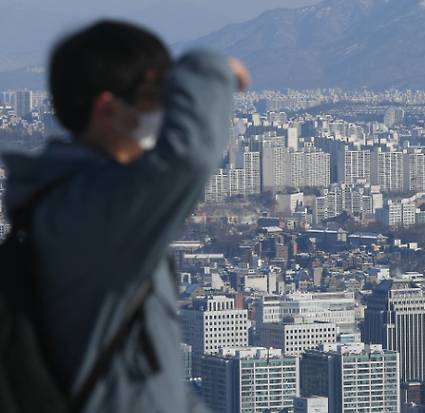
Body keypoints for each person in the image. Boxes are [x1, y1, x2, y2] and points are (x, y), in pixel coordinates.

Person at [2, 20, 249, 412]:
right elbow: (189, 155)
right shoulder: (90, 210)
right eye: (156, 94)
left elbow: (149, 374)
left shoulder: (77, 202)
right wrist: (206, 69)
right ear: (108, 108)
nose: (166, 110)